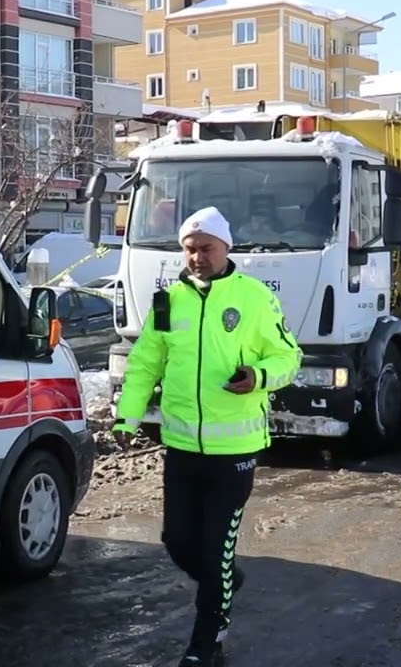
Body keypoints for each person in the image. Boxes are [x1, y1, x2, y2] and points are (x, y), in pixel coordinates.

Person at [112, 206, 303, 666]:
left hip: (233, 452)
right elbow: (143, 367)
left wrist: (258, 376)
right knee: (178, 542)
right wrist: (126, 418)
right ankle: (223, 581)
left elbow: (288, 357)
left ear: (225, 248)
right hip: (181, 448)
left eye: (206, 248)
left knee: (217, 545)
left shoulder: (255, 298)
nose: (197, 257)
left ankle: (205, 645)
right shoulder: (167, 302)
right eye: (190, 249)